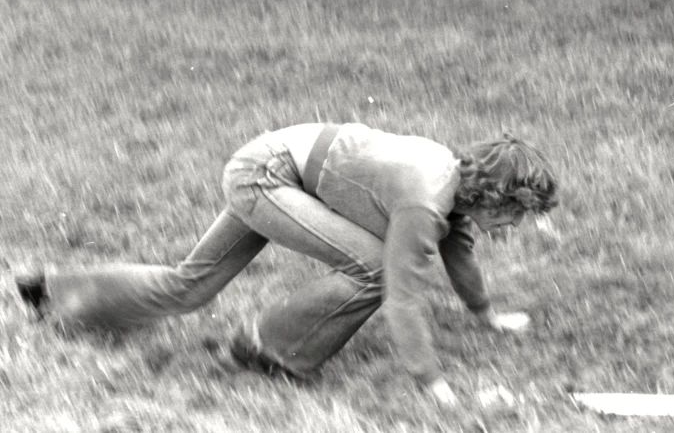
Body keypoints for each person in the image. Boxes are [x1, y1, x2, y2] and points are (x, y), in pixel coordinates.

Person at [16, 122, 558, 406]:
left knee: (192, 287)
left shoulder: (454, 191)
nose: (514, 226)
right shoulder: (425, 202)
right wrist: (434, 385)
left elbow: (456, 250)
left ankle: (50, 294)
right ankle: (266, 350)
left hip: (277, 161)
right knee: (375, 269)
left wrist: (486, 313)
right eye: (515, 213)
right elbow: (405, 297)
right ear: (493, 196)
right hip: (266, 176)